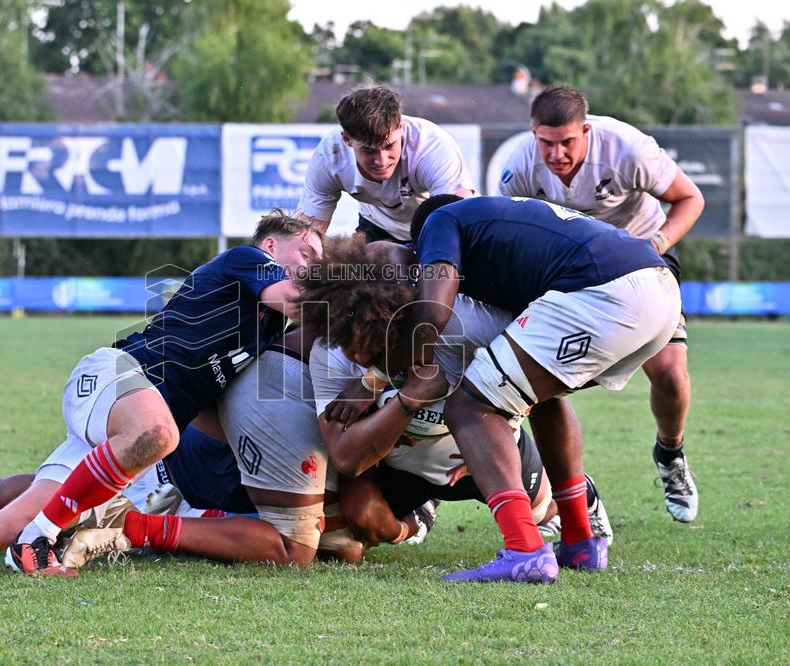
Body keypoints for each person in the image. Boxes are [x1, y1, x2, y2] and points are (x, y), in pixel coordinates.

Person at [0, 211, 322, 578]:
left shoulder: (263, 328)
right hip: (116, 375)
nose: (313, 264)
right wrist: (352, 282)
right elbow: (296, 300)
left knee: (9, 525)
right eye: (308, 252)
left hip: (124, 419)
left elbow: (219, 402)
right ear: (273, 246)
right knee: (157, 434)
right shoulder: (249, 260)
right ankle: (43, 536)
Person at [324, 195, 679, 584]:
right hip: (657, 290)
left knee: (469, 409)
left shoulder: (440, 224)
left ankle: (524, 549)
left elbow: (434, 313)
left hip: (606, 293)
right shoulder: (501, 242)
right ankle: (580, 540)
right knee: (543, 396)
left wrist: (372, 379)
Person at [299, 239, 611, 551]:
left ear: (395, 322)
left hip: (475, 454)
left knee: (543, 510)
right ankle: (420, 518)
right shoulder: (330, 351)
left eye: (363, 340)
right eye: (343, 336)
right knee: (359, 526)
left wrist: (508, 421)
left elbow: (544, 377)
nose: (350, 352)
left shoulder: (459, 327)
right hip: (398, 464)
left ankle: (586, 495)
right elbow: (346, 458)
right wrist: (410, 400)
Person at [498, 84, 702, 523]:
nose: (556, 154)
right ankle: (569, 498)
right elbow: (513, 234)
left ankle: (671, 455)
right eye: (545, 143)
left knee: (669, 373)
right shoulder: (520, 167)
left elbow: (691, 198)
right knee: (532, 386)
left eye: (567, 142)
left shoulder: (627, 148)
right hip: (569, 271)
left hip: (640, 260)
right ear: (533, 134)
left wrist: (656, 243)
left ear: (586, 131)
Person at [297, 84, 476, 243]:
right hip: (377, 225)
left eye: (389, 146)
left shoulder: (431, 146)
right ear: (347, 139)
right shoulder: (330, 158)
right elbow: (308, 231)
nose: (381, 160)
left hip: (436, 225)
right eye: (368, 150)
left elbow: (459, 217)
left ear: (400, 127)